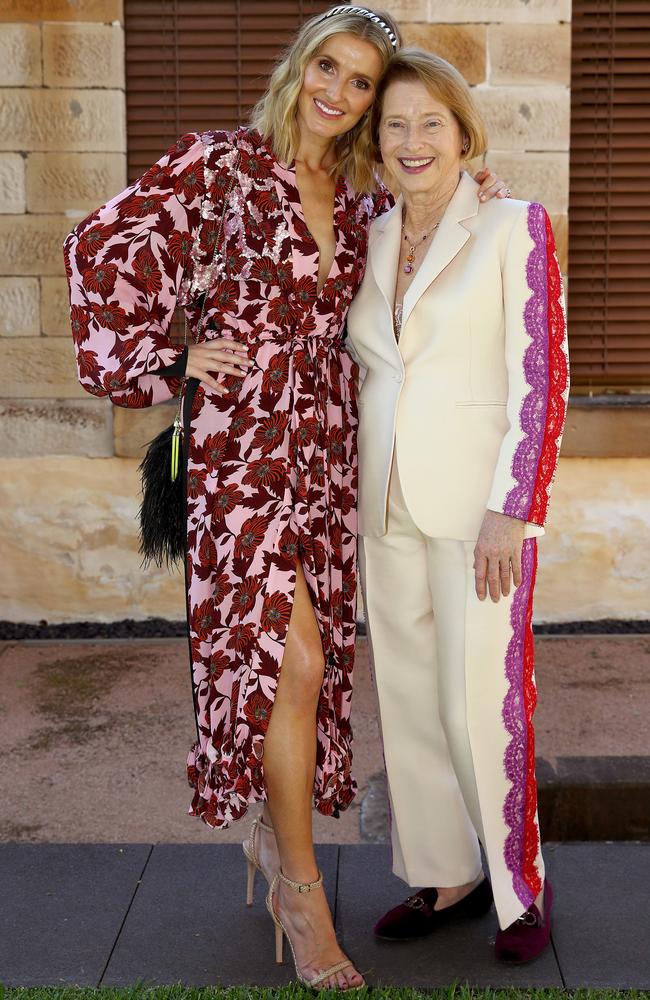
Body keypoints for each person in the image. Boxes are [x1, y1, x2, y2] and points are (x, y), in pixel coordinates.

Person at [64, 8, 508, 988]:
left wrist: (479, 191)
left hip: (326, 456)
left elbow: (431, 267)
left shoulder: (361, 198)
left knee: (301, 674)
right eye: (328, 68)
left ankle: (276, 840)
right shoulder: (216, 165)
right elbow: (99, 247)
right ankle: (300, 894)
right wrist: (170, 357)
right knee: (292, 660)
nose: (338, 93)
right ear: (299, 66)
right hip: (236, 457)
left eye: (360, 84)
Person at [346, 48, 569, 964]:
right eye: (394, 124)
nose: (411, 141)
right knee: (408, 700)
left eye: (430, 122)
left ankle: (521, 892)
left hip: (482, 511)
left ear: (464, 132)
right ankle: (447, 876)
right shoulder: (368, 232)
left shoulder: (517, 224)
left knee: (480, 699)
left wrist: (512, 508)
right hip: (385, 504)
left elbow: (540, 375)